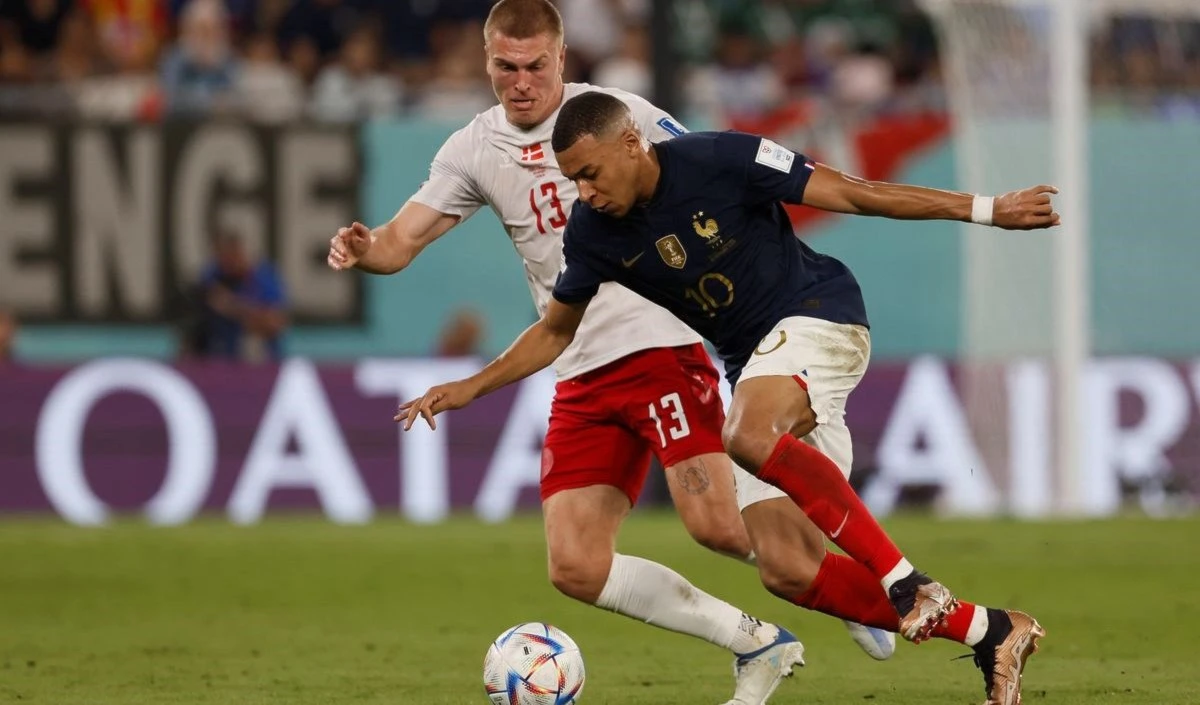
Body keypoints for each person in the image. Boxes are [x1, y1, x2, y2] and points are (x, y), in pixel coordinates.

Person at [398, 90, 1057, 705]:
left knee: (744, 434)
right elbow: (554, 331)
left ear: (631, 142)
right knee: (788, 569)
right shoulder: (593, 232)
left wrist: (985, 208)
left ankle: (907, 581)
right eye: (574, 179)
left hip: (819, 316)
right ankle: (992, 630)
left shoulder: (720, 157)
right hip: (756, 367)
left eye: (591, 173)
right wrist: (469, 385)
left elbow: (852, 192)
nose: (585, 192)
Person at [327, 2, 892, 702]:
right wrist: (364, 249)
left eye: (535, 66)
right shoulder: (471, 149)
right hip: (577, 367)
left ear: (562, 58)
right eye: (506, 67)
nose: (521, 82)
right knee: (575, 564)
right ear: (486, 61)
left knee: (718, 525)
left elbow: (702, 179)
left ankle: (854, 587)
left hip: (657, 342)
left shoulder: (622, 115)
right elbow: (398, 242)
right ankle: (757, 642)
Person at [183, 229, 288, 361]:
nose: (230, 262)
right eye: (225, 256)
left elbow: (275, 324)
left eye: (235, 255)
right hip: (218, 353)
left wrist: (233, 307)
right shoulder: (212, 275)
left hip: (256, 357)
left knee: (253, 343)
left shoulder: (263, 277)